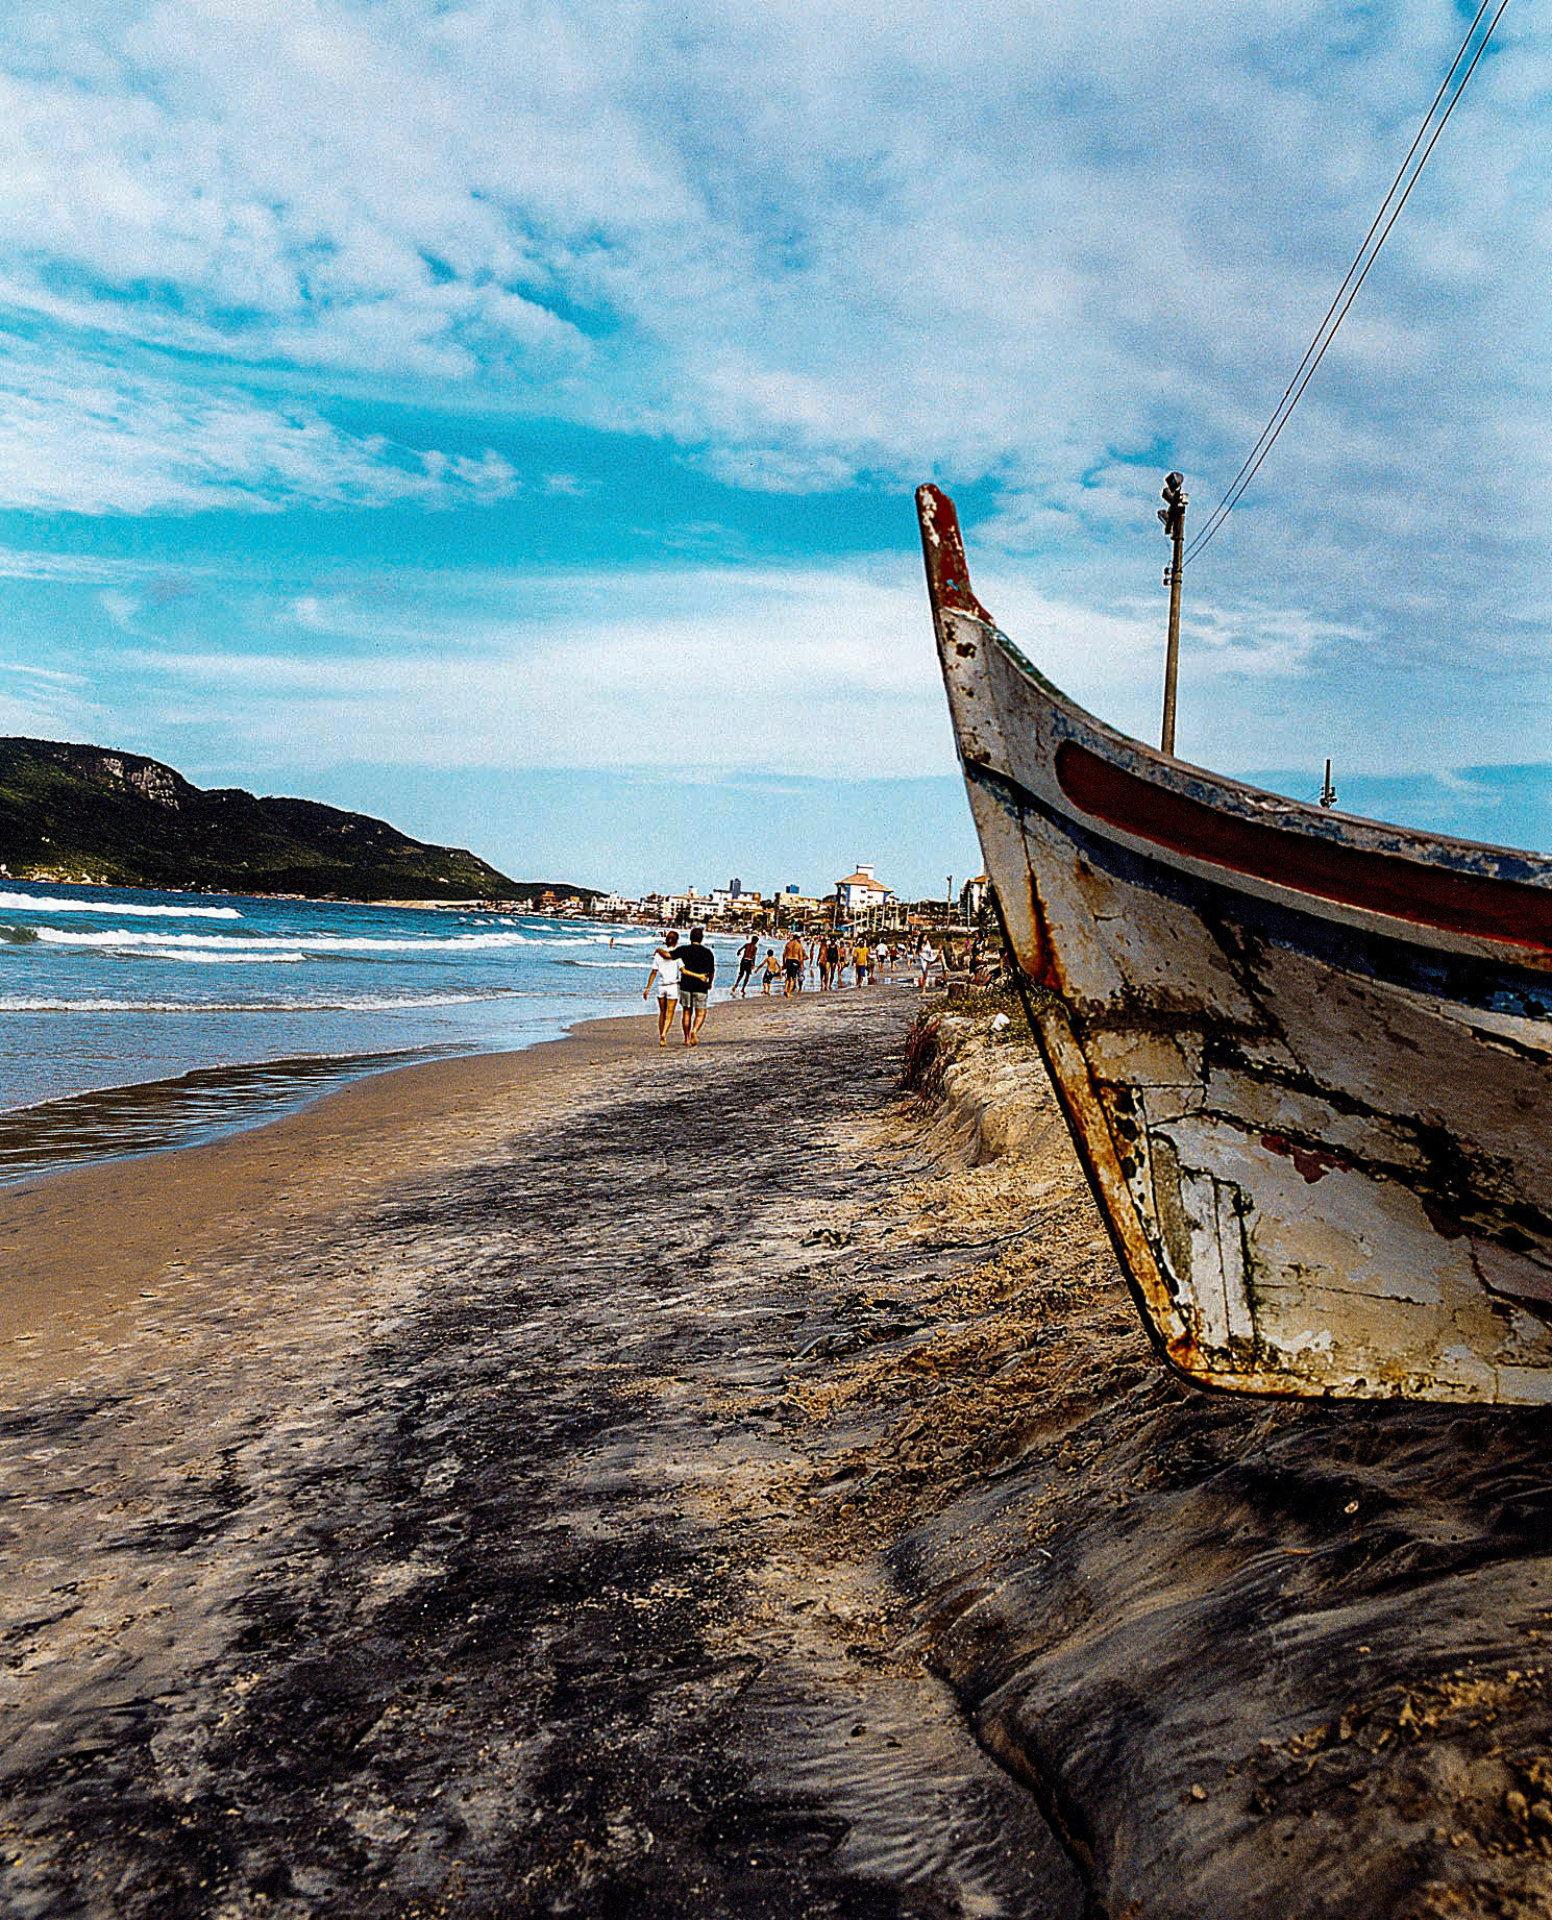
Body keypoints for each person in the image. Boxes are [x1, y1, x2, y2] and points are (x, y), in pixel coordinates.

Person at [677, 926, 716, 1045]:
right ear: (702, 939)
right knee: (701, 1012)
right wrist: (710, 983)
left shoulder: (684, 950)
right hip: (701, 985)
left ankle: (686, 1038)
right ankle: (694, 1031)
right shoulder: (707, 952)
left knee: (687, 1012)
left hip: (686, 984)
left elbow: (673, 960)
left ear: (690, 937)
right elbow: (711, 970)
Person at [643, 930, 682, 1046]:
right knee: (670, 1013)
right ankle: (664, 1034)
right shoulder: (677, 955)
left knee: (662, 1013)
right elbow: (682, 970)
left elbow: (653, 972)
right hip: (673, 986)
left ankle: (661, 1035)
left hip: (661, 986)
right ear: (676, 942)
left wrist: (647, 988)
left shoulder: (658, 956)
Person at [782, 932, 805, 997]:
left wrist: (784, 963)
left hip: (788, 960)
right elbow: (800, 956)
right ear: (798, 938)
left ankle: (785, 990)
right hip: (795, 960)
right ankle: (788, 992)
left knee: (788, 977)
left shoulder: (788, 944)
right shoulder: (799, 945)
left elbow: (784, 955)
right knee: (793, 978)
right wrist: (801, 965)